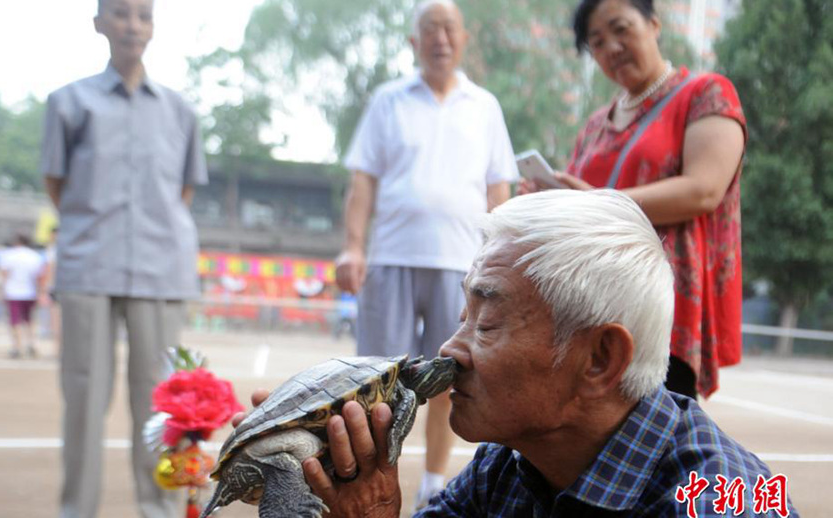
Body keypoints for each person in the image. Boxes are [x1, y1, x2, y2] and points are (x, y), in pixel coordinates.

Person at [240, 190, 797, 517]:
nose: (449, 350)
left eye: (489, 323)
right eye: (465, 316)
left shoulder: (724, 502)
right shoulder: (509, 463)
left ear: (600, 359)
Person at [335, 0, 519, 507]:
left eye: (449, 29)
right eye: (429, 29)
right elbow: (363, 182)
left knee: (448, 377)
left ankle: (434, 483)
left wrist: (494, 259)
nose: (440, 38)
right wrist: (353, 246)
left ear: (464, 40)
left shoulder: (485, 106)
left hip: (460, 264)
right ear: (414, 42)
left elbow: (497, 189)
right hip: (391, 257)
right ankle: (373, 484)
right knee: (376, 383)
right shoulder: (387, 101)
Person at [522, 0, 746, 400]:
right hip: (588, 303)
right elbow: (577, 210)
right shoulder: (594, 125)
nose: (611, 47)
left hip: (658, 306)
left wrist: (598, 201)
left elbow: (703, 189)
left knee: (652, 437)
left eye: (621, 29)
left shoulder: (705, 93)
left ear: (655, 24)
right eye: (598, 42)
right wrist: (547, 203)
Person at [40, 0, 208, 516]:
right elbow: (56, 182)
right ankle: (77, 509)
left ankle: (157, 509)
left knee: (160, 405)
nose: (132, 24)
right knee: (84, 400)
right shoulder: (68, 103)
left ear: (152, 27)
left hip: (160, 271)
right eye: (120, 13)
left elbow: (183, 190)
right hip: (89, 267)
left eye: (142, 15)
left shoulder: (180, 110)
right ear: (99, 24)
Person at [0, 233, 46, 359]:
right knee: (29, 320)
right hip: (30, 292)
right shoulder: (35, 256)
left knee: (15, 321)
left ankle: (17, 347)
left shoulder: (9, 255)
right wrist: (40, 292)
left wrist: (2, 291)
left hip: (13, 293)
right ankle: (32, 344)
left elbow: (4, 274)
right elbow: (39, 277)